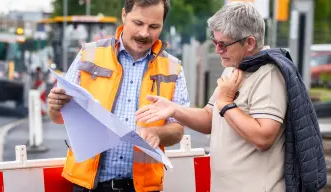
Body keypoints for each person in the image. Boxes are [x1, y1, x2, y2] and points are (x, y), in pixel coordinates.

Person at [135, 2, 327, 192]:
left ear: (249, 43)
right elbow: (210, 118)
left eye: (223, 44)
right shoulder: (234, 68)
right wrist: (175, 109)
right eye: (214, 42)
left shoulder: (269, 73)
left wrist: (227, 103)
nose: (218, 50)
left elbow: (263, 137)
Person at [47, 0, 190, 191]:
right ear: (124, 15)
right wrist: (55, 106)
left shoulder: (173, 68)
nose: (144, 33)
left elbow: (177, 131)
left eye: (154, 26)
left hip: (141, 187)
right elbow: (58, 117)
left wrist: (158, 133)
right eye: (138, 23)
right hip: (89, 185)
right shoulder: (88, 55)